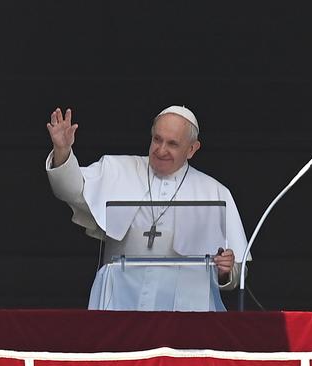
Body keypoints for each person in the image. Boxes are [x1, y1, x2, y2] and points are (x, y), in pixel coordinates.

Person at [45, 105, 249, 310]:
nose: (161, 150)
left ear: (192, 149)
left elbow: (236, 270)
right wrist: (62, 151)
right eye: (157, 139)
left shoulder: (213, 192)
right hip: (120, 300)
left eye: (172, 144)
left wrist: (225, 271)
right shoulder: (118, 169)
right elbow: (71, 191)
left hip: (185, 307)